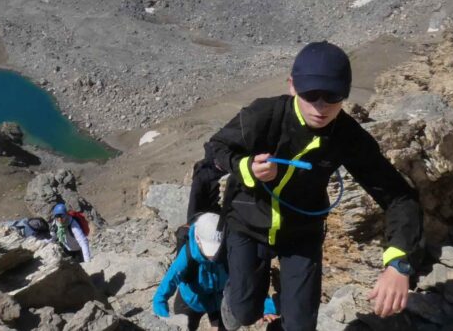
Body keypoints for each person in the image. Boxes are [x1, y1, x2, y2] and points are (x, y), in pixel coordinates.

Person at [206, 41, 423, 331]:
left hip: (301, 231)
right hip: (247, 223)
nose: (321, 107)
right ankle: (237, 295)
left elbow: (399, 197)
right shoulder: (264, 115)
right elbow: (216, 147)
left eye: (332, 96)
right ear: (292, 86)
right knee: (244, 313)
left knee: (300, 327)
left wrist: (398, 262)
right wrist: (246, 168)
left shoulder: (347, 137)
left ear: (345, 94)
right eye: (311, 95)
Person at [153, 212, 228, 330]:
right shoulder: (186, 257)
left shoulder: (230, 251)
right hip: (189, 302)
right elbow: (165, 287)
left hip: (217, 300)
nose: (214, 257)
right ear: (197, 239)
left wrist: (266, 306)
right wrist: (163, 317)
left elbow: (246, 279)